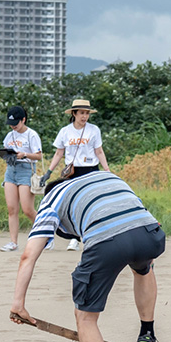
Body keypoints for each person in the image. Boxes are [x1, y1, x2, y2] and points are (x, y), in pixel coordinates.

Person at [8, 171, 166, 342]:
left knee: (85, 317)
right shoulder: (106, 177)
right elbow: (134, 212)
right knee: (143, 268)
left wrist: (18, 303)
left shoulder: (51, 200)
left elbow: (27, 256)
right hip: (149, 232)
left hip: (107, 241)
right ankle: (147, 335)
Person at [40, 98, 110, 251]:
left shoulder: (94, 130)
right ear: (74, 113)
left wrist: (107, 170)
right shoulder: (65, 131)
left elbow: (99, 151)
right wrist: (49, 172)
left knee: (92, 203)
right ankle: (73, 238)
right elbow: (59, 153)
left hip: (91, 169)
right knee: (72, 204)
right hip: (72, 171)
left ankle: (94, 235)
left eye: (86, 113)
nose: (84, 117)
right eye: (81, 113)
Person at [0, 106, 43, 252]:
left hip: (26, 170)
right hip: (11, 171)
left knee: (28, 210)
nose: (13, 126)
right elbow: (7, 153)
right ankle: (13, 242)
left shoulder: (31, 135)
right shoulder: (10, 135)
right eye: (11, 124)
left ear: (23, 120)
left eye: (16, 123)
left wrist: (24, 154)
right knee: (12, 209)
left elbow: (39, 156)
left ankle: (46, 234)